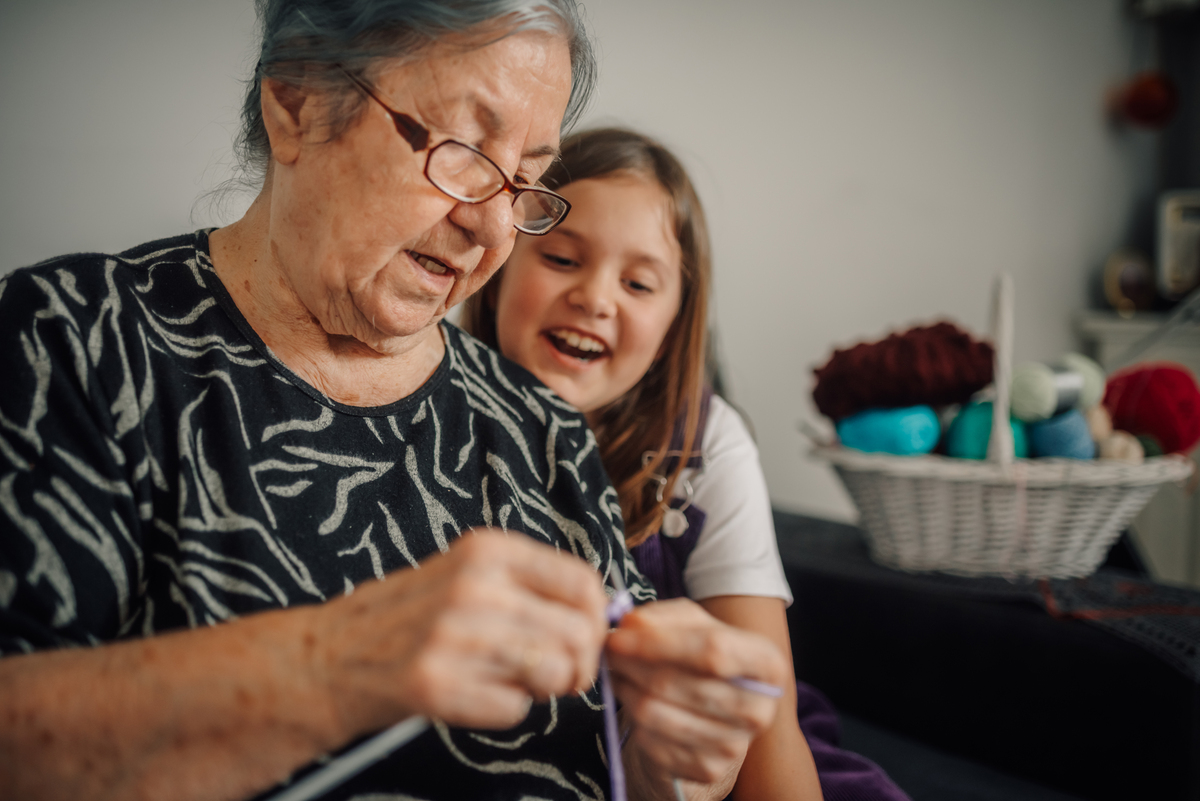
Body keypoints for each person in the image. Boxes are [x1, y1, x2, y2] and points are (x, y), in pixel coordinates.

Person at [0, 5, 788, 801]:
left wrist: (666, 759)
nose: (490, 227)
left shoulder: (542, 426)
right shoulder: (75, 338)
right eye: (464, 150)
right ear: (298, 103)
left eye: (525, 180)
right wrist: (334, 665)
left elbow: (638, 763)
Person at [462, 127, 911, 801]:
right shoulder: (433, 410)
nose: (596, 297)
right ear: (498, 271)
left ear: (676, 320)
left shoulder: (705, 446)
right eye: (560, 258)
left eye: (639, 282)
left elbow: (764, 702)